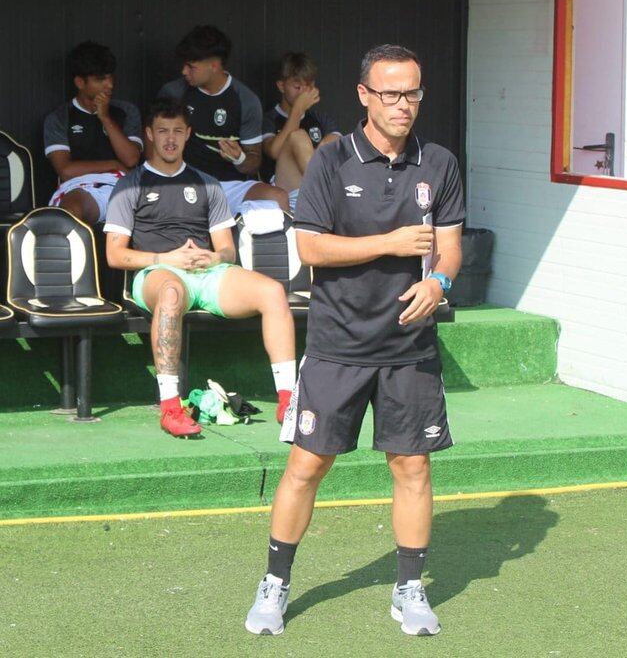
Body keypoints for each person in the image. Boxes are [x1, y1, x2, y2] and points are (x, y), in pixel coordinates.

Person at [245, 44, 465, 636]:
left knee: (413, 467)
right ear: (365, 95)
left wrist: (439, 283)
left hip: (409, 349)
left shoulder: (439, 162)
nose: (403, 105)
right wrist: (390, 243)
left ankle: (410, 590)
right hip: (338, 345)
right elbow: (310, 247)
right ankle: (275, 584)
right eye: (390, 93)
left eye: (413, 92)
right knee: (306, 465)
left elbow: (450, 246)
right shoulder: (332, 160)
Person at [104, 99, 295, 437]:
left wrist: (214, 258)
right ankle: (170, 407)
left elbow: (226, 249)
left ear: (188, 134)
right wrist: (167, 259)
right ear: (149, 134)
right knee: (171, 294)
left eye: (178, 131)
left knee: (273, 291)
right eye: (162, 131)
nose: (170, 139)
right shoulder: (130, 185)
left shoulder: (207, 183)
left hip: (206, 273)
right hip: (157, 272)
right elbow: (116, 255)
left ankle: (288, 400)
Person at [157, 25, 290, 214]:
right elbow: (154, 146)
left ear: (214, 66)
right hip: (183, 183)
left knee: (278, 197)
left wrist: (239, 158)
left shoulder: (246, 100)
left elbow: (254, 161)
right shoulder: (174, 93)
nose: (184, 71)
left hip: (230, 186)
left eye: (191, 66)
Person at [44, 41, 142, 225]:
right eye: (100, 79)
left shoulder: (126, 111)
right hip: (81, 187)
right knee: (71, 210)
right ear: (80, 82)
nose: (110, 85)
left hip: (122, 184)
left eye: (110, 77)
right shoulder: (59, 117)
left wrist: (105, 118)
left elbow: (131, 159)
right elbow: (65, 170)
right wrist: (112, 164)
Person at [262, 52, 341, 207]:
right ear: (281, 86)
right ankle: (330, 196)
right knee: (298, 137)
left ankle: (326, 196)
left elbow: (337, 145)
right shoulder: (270, 118)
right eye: (297, 87)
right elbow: (274, 152)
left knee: (334, 139)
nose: (304, 92)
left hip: (313, 191)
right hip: (284, 190)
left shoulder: (319, 118)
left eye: (309, 86)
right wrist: (297, 110)